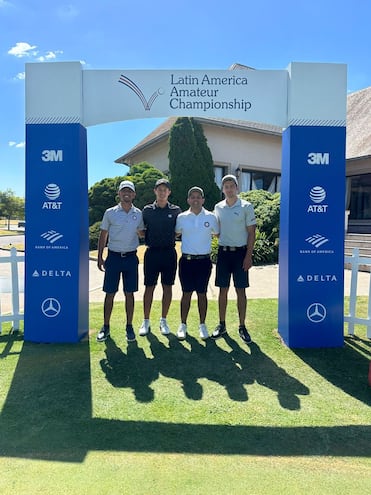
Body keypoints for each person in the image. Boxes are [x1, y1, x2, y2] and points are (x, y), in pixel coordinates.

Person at [96, 180, 144, 343]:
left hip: (131, 258)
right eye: (124, 191)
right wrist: (100, 256)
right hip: (114, 258)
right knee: (110, 293)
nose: (126, 194)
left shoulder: (138, 213)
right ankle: (106, 326)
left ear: (134, 195)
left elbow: (142, 233)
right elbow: (103, 235)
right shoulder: (110, 212)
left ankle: (129, 326)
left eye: (129, 191)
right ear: (119, 194)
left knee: (129, 293)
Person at [212, 174, 256, 344]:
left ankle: (242, 326)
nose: (229, 189)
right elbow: (216, 230)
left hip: (240, 255)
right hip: (223, 254)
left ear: (237, 188)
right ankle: (222, 324)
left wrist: (248, 256)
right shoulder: (218, 207)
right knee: (223, 290)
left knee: (241, 290)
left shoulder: (246, 206)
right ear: (223, 189)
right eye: (226, 186)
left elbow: (251, 232)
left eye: (232, 186)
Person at [138, 178, 181, 336]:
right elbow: (141, 230)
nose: (162, 192)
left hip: (169, 253)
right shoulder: (147, 210)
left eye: (165, 189)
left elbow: (178, 231)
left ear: (169, 192)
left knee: (167, 287)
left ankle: (163, 320)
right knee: (149, 287)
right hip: (152, 253)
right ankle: (146, 320)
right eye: (159, 189)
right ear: (155, 191)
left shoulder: (176, 210)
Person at [175, 186, 219, 340]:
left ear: (203, 199)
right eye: (192, 197)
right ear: (188, 200)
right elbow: (176, 233)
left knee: (202, 294)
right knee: (186, 294)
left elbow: (218, 234)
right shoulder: (181, 217)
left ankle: (202, 325)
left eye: (198, 197)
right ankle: (183, 325)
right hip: (186, 261)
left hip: (204, 262)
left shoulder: (211, 217)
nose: (195, 199)